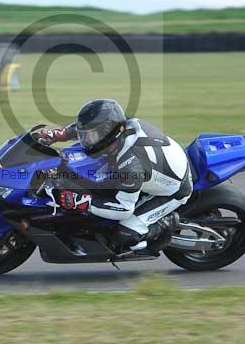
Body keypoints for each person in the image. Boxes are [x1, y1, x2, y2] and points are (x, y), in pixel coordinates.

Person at [33, 99, 192, 253]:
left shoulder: (131, 166)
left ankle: (165, 223)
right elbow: (89, 128)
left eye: (90, 136)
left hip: (173, 190)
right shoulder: (119, 126)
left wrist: (81, 201)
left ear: (109, 133)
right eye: (85, 135)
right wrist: (60, 134)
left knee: (124, 235)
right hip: (161, 162)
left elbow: (123, 209)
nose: (86, 140)